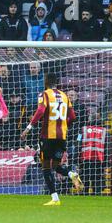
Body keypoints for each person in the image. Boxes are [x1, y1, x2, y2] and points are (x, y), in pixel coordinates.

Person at [20, 73, 83, 206]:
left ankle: (55, 198)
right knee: (55, 165)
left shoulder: (45, 94)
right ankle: (71, 174)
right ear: (57, 83)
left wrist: (29, 127)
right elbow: (73, 116)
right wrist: (64, 125)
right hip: (62, 137)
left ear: (46, 82)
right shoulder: (65, 96)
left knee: (45, 167)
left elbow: (40, 110)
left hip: (47, 136)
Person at [80, 112, 108, 195]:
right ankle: (97, 195)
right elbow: (107, 146)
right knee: (97, 179)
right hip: (99, 159)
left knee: (85, 179)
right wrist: (106, 162)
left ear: (90, 119)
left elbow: (78, 142)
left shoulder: (83, 129)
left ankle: (84, 196)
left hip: (85, 158)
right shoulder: (104, 131)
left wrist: (76, 158)